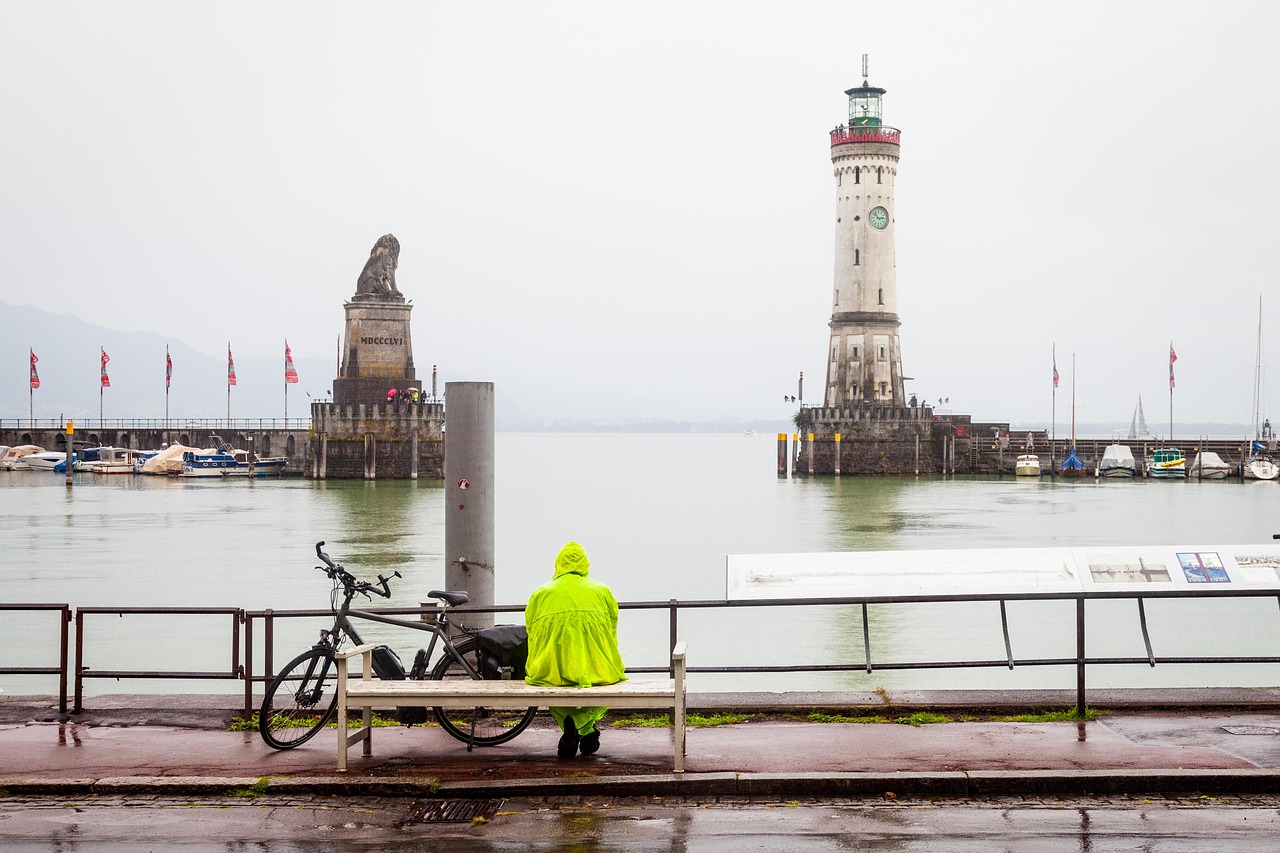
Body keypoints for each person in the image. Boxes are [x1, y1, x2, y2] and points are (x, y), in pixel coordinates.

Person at [524, 541, 626, 759]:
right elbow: (612, 628)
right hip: (595, 667)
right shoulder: (602, 591)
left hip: (552, 668)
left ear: (558, 564)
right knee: (612, 682)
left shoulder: (540, 593)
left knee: (547, 686)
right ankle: (584, 727)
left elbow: (531, 631)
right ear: (585, 565)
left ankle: (573, 726)